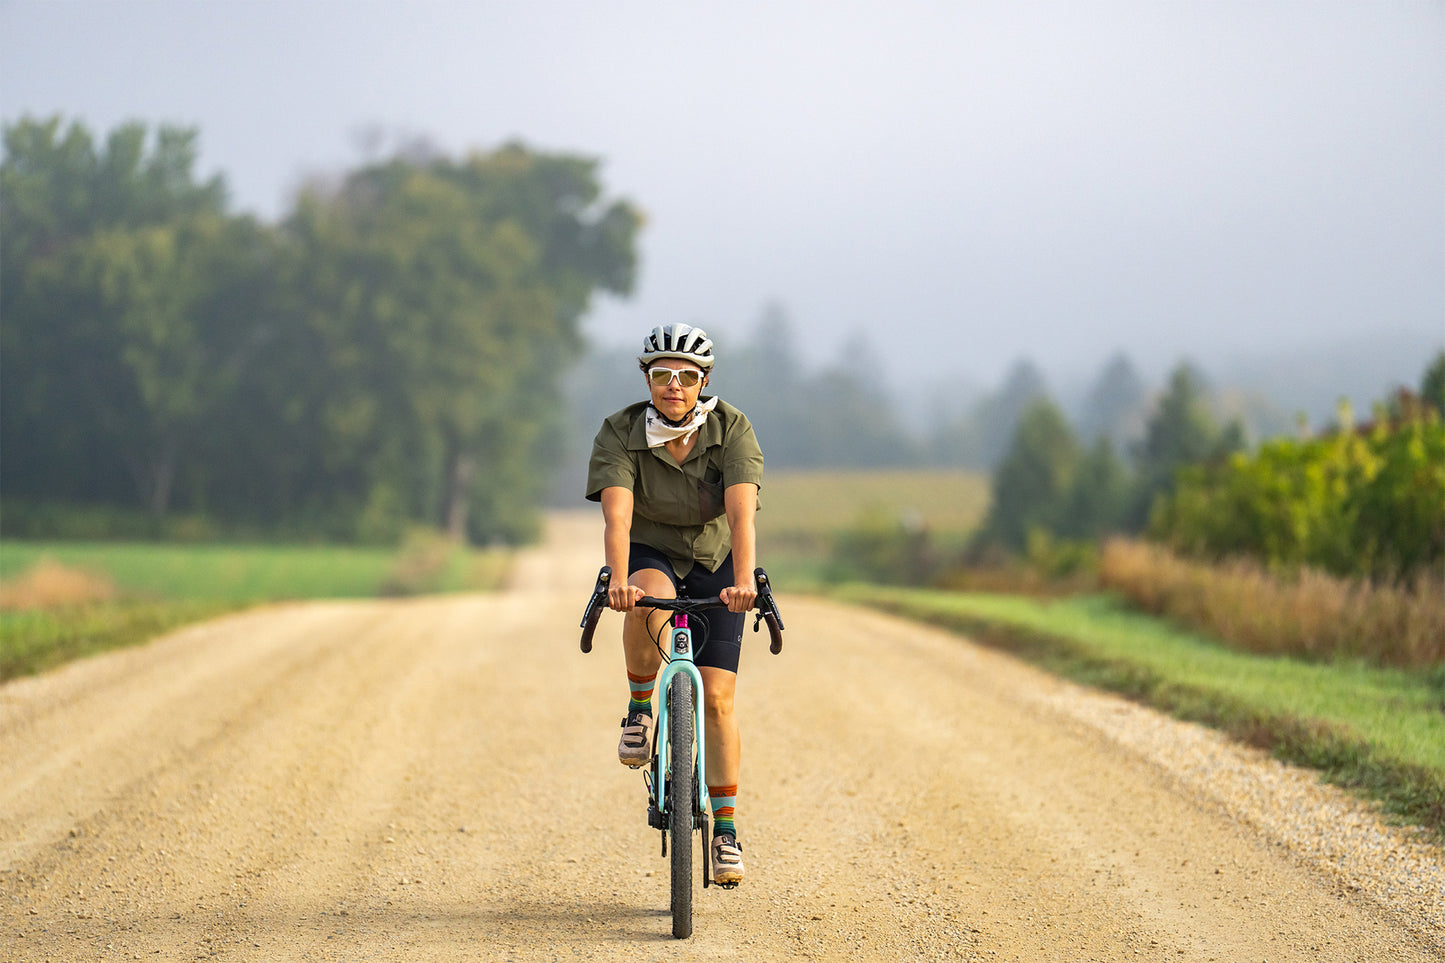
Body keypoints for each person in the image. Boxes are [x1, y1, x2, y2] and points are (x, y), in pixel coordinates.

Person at [585, 322, 764, 886]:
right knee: (649, 597)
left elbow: (741, 516)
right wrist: (617, 578)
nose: (673, 386)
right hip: (651, 550)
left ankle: (727, 833)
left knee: (717, 699)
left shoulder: (732, 428)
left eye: (686, 377)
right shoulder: (620, 432)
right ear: (647, 378)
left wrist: (743, 584)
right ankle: (641, 709)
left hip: (715, 559)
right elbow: (617, 514)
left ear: (703, 381)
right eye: (662, 375)